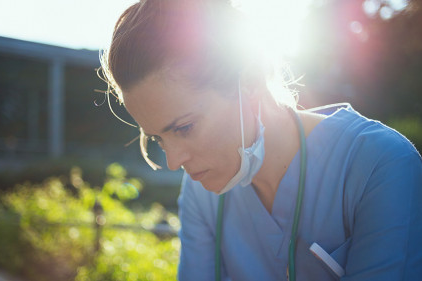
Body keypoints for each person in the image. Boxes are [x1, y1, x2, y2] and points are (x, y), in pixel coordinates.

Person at [99, 0, 422, 280]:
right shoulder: (202, 193)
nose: (173, 161)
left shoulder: (380, 165)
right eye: (157, 137)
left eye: (184, 128)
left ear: (250, 82)